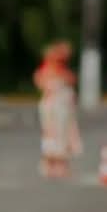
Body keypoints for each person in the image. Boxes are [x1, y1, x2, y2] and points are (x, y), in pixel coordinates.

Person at [33, 41, 81, 180]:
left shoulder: (62, 70)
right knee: (53, 133)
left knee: (63, 134)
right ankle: (50, 163)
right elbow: (42, 83)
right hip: (53, 108)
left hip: (63, 108)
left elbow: (72, 80)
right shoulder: (46, 70)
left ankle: (60, 164)